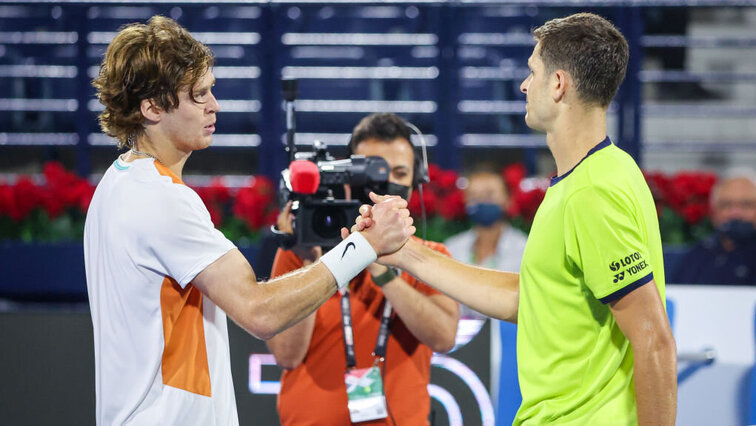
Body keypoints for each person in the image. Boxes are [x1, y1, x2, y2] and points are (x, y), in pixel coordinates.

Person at [84, 17, 414, 425]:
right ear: (152, 107)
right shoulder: (160, 199)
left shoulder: (116, 185)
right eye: (198, 94)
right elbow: (260, 312)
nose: (214, 105)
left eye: (212, 90)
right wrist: (365, 245)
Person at [354, 13, 677, 425]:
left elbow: (654, 342)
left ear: (558, 84)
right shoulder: (602, 173)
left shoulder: (592, 191)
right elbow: (531, 299)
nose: (525, 85)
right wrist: (405, 254)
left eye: (533, 71)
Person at [265, 113, 459, 425]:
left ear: (416, 180)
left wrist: (381, 270)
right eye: (375, 172)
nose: (387, 183)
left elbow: (443, 337)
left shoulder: (430, 256)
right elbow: (286, 355)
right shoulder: (302, 251)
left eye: (399, 172)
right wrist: (316, 263)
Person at [443, 166, 527, 419]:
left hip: (511, 358)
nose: (482, 202)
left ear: (507, 200)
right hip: (460, 357)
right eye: (475, 196)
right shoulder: (450, 250)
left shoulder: (527, 250)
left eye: (490, 194)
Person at [671, 168, 756, 285]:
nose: (735, 213)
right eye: (726, 205)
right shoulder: (697, 258)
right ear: (713, 212)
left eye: (746, 205)